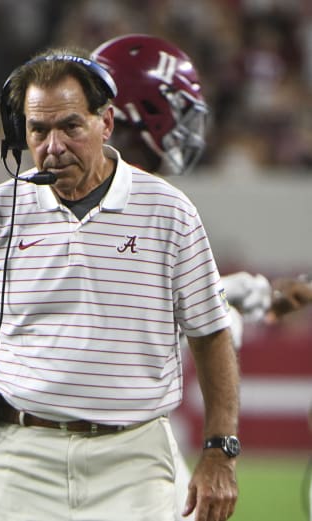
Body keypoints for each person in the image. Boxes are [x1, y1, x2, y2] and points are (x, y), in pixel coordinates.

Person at [0, 46, 240, 521]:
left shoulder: (170, 212)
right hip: (21, 458)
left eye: (70, 126)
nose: (53, 145)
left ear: (106, 123)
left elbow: (211, 334)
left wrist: (220, 451)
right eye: (38, 130)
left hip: (133, 459)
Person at [91, 33, 312, 520]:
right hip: (96, 447)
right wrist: (243, 303)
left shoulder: (144, 201)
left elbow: (175, 295)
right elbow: (159, 314)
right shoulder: (111, 203)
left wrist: (257, 295)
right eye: (180, 110)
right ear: (140, 112)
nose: (188, 129)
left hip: (126, 442)